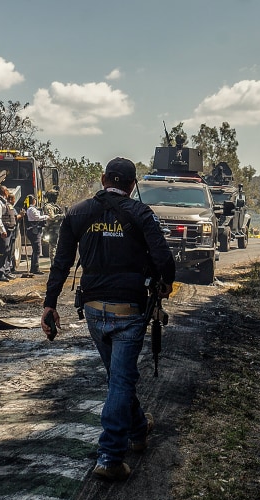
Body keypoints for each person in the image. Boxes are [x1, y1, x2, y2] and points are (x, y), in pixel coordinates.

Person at [41, 157, 175, 482]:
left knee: (118, 377)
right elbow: (164, 260)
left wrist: (49, 304)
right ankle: (110, 457)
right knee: (120, 380)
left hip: (92, 309)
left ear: (103, 179)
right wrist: (165, 285)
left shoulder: (77, 213)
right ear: (132, 185)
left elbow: (60, 263)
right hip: (128, 311)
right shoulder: (141, 214)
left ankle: (139, 428)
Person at [24, 194, 48, 275]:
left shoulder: (31, 209)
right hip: (34, 232)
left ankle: (33, 268)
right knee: (37, 250)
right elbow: (37, 217)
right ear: (33, 200)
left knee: (35, 250)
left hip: (34, 231)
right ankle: (35, 268)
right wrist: (45, 216)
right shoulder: (32, 209)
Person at [43, 190, 64, 264]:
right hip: (53, 229)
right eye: (55, 197)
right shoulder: (49, 206)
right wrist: (62, 216)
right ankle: (54, 263)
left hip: (58, 228)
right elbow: (51, 217)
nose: (56, 198)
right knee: (53, 247)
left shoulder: (54, 205)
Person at [6, 193, 20, 273]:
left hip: (11, 230)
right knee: (9, 251)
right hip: (10, 231)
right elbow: (14, 217)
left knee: (9, 250)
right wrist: (21, 215)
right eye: (14, 199)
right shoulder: (10, 207)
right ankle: (8, 269)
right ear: (11, 200)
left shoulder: (7, 206)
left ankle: (8, 268)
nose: (15, 201)